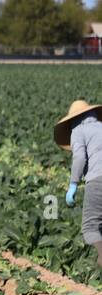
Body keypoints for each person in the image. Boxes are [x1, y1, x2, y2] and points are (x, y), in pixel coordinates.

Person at [57, 99, 102, 267]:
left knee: (90, 227)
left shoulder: (78, 130)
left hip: (98, 179)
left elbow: (80, 157)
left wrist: (73, 184)